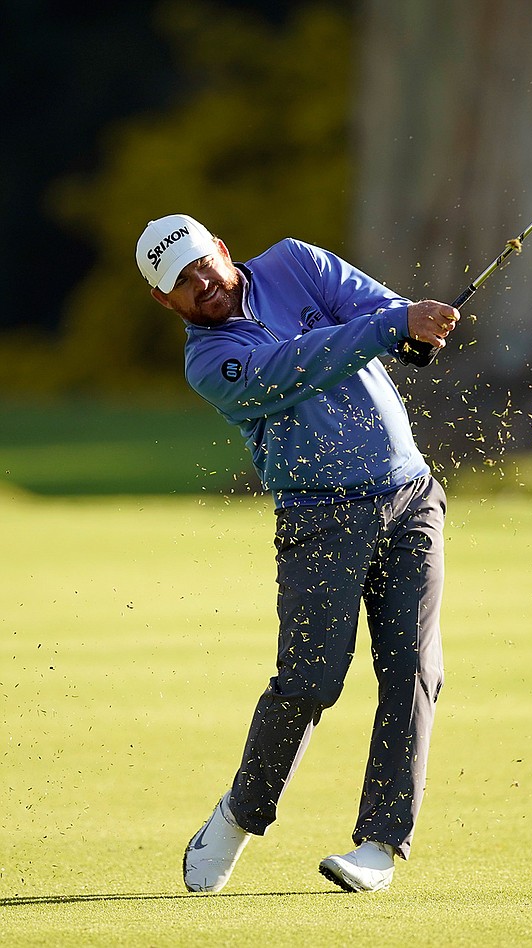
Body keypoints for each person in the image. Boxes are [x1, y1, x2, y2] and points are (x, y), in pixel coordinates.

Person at [135, 214, 460, 894]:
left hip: (409, 495)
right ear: (165, 301)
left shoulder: (295, 262)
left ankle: (379, 843)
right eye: (184, 285)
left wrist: (411, 329)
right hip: (318, 514)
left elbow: (376, 307)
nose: (203, 286)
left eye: (204, 267)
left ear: (223, 251)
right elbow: (295, 367)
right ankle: (238, 817)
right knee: (310, 682)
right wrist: (388, 329)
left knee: (413, 668)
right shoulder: (208, 363)